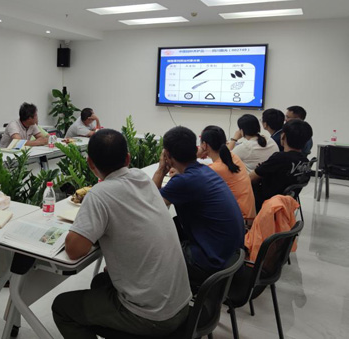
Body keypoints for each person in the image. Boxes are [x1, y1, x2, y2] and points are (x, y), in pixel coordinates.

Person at [52, 129, 191, 339]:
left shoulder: (99, 194)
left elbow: (74, 250)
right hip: (181, 303)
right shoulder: (141, 178)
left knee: (63, 307)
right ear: (127, 158)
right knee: (100, 282)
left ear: (90, 163)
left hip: (154, 318)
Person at [153, 126, 244, 288]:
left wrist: (161, 170)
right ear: (196, 149)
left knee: (154, 252)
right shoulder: (205, 171)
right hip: (231, 255)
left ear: (167, 154)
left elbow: (149, 207)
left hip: (211, 262)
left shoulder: (183, 181)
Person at [250, 119, 313, 212]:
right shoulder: (305, 162)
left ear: (283, 136)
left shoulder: (279, 158)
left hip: (265, 203)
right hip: (286, 204)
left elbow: (251, 178)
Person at [198, 126, 256, 220]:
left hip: (239, 220)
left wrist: (196, 155)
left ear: (204, 145)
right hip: (247, 216)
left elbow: (191, 176)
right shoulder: (233, 157)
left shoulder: (215, 169)